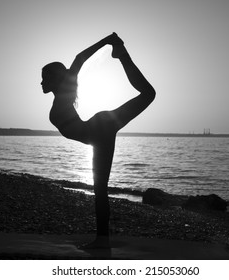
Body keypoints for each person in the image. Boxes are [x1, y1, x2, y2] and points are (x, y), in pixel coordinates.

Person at [41, 33, 155, 248]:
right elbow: (78, 59)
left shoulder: (66, 87)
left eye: (44, 77)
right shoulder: (62, 95)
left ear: (55, 78)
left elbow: (80, 57)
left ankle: (121, 53)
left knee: (149, 94)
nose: (41, 82)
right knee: (100, 190)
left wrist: (107, 40)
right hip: (98, 133)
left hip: (100, 129)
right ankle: (102, 239)